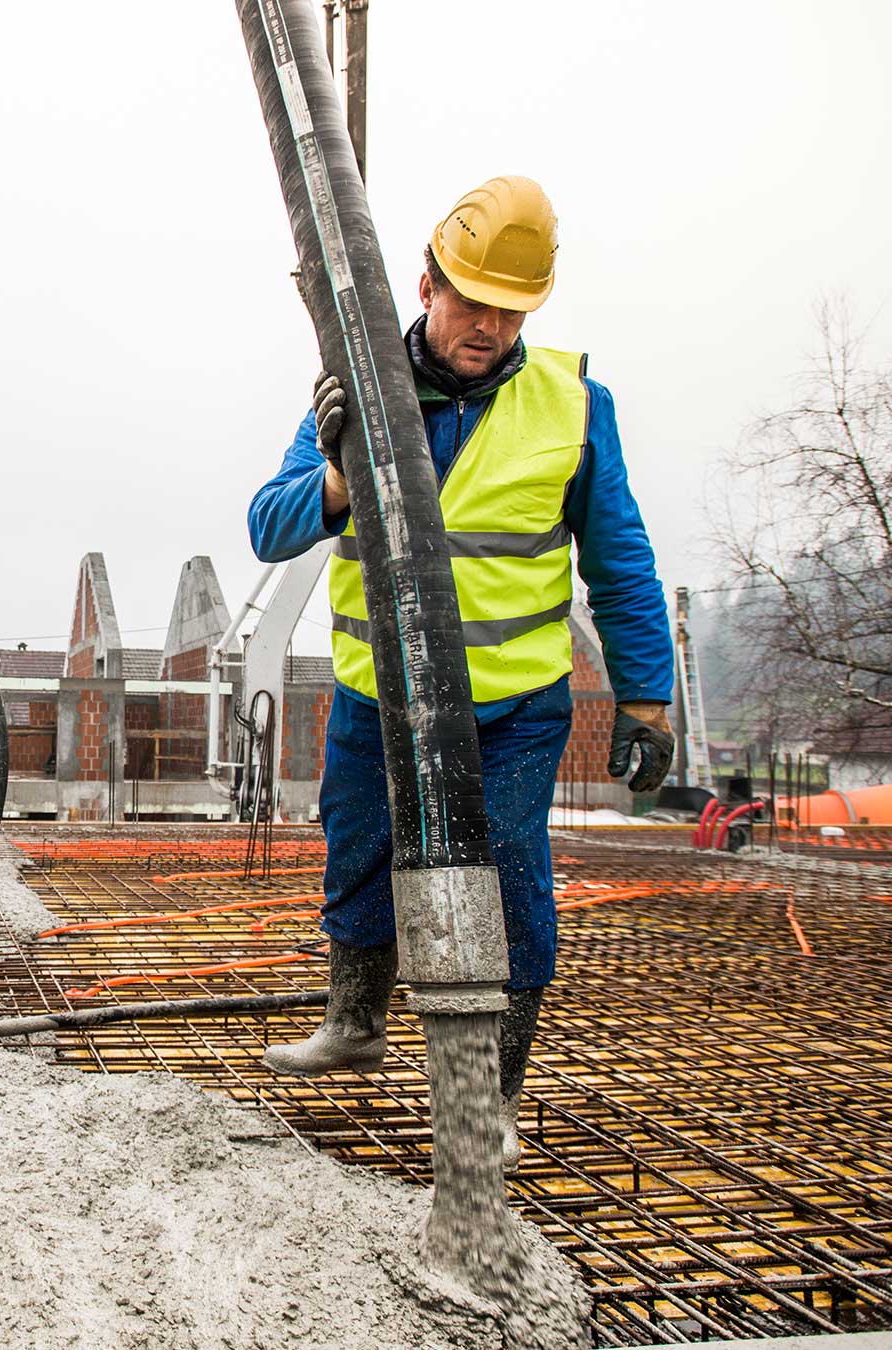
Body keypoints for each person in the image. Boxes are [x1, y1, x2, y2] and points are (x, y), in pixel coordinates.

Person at [246, 177, 676, 1171]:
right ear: (429, 285)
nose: (486, 325)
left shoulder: (572, 408)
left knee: (510, 874)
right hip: (377, 698)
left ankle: (491, 1095)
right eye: (470, 300)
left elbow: (624, 567)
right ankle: (355, 1022)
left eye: (508, 308)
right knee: (357, 848)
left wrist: (647, 699)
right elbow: (269, 526)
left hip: (512, 709)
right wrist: (339, 474)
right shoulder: (353, 393)